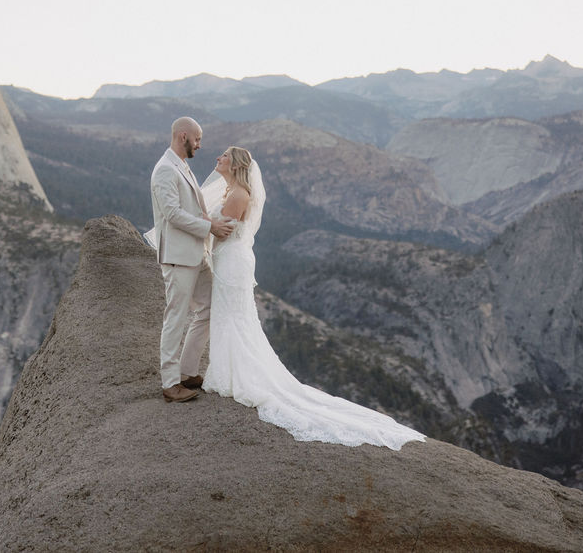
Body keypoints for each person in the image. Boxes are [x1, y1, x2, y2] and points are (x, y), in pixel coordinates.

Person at [198, 146, 425, 449]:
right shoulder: (232, 191)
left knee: (233, 318)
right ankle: (229, 371)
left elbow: (222, 232)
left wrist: (199, 224)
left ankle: (238, 376)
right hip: (230, 259)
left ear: (236, 164)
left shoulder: (238, 195)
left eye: (224, 156)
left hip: (231, 260)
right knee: (232, 317)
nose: (218, 159)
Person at [147, 117, 234, 403]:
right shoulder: (164, 170)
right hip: (178, 258)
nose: (200, 144)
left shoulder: (182, 165)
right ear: (182, 136)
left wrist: (210, 222)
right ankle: (171, 384)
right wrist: (210, 227)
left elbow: (194, 208)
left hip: (197, 254)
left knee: (210, 306)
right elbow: (171, 214)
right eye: (197, 139)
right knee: (175, 317)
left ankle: (187, 371)